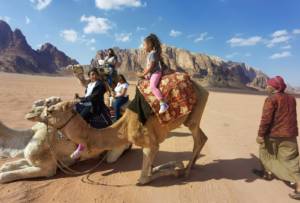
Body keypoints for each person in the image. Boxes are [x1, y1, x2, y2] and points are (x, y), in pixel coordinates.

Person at [252, 76, 299, 200]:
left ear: (273, 87)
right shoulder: (292, 98)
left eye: (268, 85)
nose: (266, 87)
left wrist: (260, 135)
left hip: (274, 134)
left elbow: (266, 119)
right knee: (292, 160)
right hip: (291, 135)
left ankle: (267, 173)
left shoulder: (271, 99)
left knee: (265, 153)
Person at [71, 68, 110, 159]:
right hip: (85, 103)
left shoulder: (100, 85)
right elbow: (87, 96)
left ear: (98, 75)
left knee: (80, 120)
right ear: (89, 76)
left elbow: (94, 97)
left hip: (94, 105)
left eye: (94, 74)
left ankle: (81, 146)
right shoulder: (89, 85)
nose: (93, 76)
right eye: (91, 74)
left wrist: (81, 99)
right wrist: (80, 98)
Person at [137, 33, 169, 114]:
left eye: (144, 45)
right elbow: (147, 67)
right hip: (151, 74)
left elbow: (151, 67)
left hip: (156, 73)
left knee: (152, 86)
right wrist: (143, 74)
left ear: (150, 44)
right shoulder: (150, 54)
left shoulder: (153, 54)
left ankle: (163, 104)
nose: (143, 47)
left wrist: (143, 74)